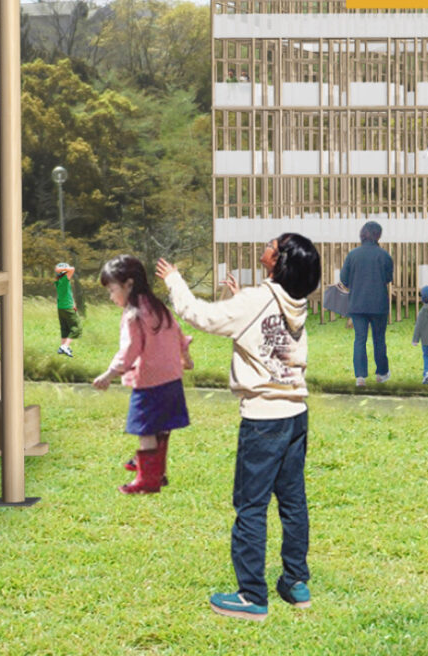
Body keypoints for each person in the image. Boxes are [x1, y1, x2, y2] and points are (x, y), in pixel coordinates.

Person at [159, 234, 319, 619]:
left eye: (271, 245)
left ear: (278, 261)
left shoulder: (257, 300)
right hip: (295, 412)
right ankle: (295, 583)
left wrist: (174, 281)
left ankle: (251, 596)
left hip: (263, 419)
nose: (265, 247)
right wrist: (240, 294)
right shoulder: (295, 300)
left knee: (250, 505)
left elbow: (201, 316)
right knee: (293, 503)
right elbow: (263, 317)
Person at [92, 254, 193, 495]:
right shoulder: (160, 308)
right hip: (172, 380)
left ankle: (147, 480)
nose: (111, 296)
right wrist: (185, 359)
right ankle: (156, 472)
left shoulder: (133, 315)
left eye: (112, 290)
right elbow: (179, 335)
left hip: (149, 383)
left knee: (146, 429)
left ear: (128, 284)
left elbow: (129, 350)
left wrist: (109, 373)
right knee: (162, 428)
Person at [339, 221, 394, 386]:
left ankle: (360, 377)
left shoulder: (352, 255)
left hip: (357, 304)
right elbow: (388, 278)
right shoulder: (384, 255)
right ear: (378, 235)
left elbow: (344, 279)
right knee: (379, 339)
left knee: (360, 339)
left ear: (362, 234)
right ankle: (382, 373)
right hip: (378, 304)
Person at [53, 262, 81, 357]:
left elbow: (67, 294)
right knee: (76, 328)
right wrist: (66, 268)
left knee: (65, 328)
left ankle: (62, 347)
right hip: (67, 308)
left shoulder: (58, 281)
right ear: (64, 271)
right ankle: (65, 346)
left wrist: (73, 303)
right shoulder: (65, 279)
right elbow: (72, 269)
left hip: (61, 307)